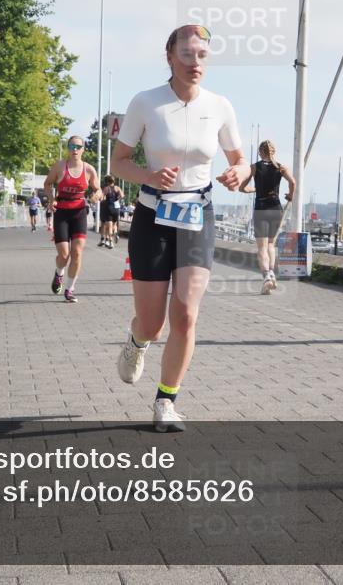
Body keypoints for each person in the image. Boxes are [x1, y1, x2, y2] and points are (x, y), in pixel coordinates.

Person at [111, 24, 248, 432]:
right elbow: (117, 163)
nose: (195, 62)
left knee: (186, 315)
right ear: (169, 56)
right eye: (187, 54)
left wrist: (238, 173)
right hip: (153, 216)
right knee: (152, 323)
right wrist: (148, 177)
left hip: (197, 216)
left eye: (202, 55)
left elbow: (240, 161)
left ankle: (165, 401)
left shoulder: (220, 105)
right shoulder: (145, 103)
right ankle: (137, 342)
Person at [44, 137, 102, 303]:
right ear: (67, 148)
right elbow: (47, 184)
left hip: (79, 214)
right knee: (64, 254)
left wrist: (96, 195)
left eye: (78, 146)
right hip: (62, 213)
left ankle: (70, 289)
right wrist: (51, 199)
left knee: (76, 253)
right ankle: (59, 273)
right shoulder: (60, 166)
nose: (75, 149)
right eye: (71, 146)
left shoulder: (89, 170)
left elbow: (97, 189)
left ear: (83, 149)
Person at [239, 140, 295, 294]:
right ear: (273, 152)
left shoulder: (255, 167)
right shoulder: (280, 167)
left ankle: (266, 277)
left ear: (260, 152)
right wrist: (290, 195)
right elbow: (293, 182)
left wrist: (252, 190)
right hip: (276, 208)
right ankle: (272, 273)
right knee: (271, 245)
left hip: (261, 208)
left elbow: (242, 187)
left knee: (262, 248)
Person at [98, 176, 123, 249]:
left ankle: (111, 242)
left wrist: (101, 200)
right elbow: (122, 195)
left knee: (109, 226)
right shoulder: (117, 188)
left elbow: (102, 198)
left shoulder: (106, 189)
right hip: (116, 208)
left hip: (109, 208)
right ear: (113, 181)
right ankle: (115, 233)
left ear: (107, 182)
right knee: (114, 224)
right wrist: (117, 200)